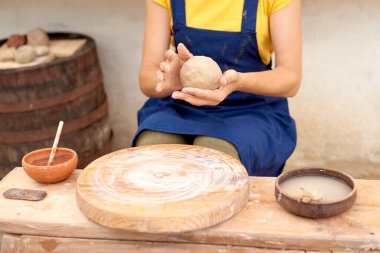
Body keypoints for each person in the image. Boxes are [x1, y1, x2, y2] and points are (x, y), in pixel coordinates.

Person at [133, 0, 302, 176]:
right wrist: (170, 80)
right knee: (152, 153)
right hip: (181, 104)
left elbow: (291, 79)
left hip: (251, 109)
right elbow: (146, 78)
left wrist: (239, 82)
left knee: (216, 161)